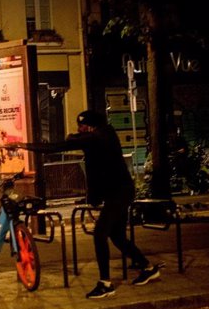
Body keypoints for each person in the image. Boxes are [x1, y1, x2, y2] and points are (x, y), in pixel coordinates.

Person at [9, 110, 161, 299]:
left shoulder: (96, 138)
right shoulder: (104, 134)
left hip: (118, 193)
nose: (79, 129)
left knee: (100, 234)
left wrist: (23, 145)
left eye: (81, 126)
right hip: (119, 191)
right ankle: (148, 267)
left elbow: (57, 146)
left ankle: (105, 283)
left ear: (90, 126)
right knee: (117, 236)